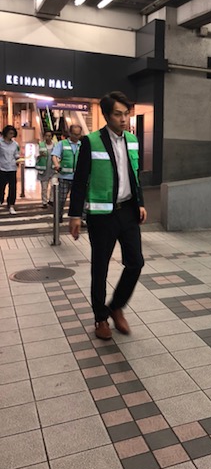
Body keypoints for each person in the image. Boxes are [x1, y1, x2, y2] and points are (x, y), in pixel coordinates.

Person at [68, 91, 146, 340]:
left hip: (128, 213)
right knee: (100, 268)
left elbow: (135, 175)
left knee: (136, 262)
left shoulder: (132, 140)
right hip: (102, 217)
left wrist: (140, 203)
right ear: (106, 115)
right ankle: (100, 317)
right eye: (118, 114)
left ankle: (116, 306)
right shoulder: (91, 141)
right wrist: (75, 215)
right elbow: (80, 181)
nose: (123, 119)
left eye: (126, 114)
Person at [52, 124, 82, 222]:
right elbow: (54, 155)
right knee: (61, 199)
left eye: (78, 134)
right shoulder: (62, 143)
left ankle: (77, 217)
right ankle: (58, 215)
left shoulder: (81, 145)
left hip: (77, 177)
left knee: (78, 199)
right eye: (74, 134)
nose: (76, 137)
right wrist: (57, 164)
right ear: (70, 133)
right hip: (64, 176)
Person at [0, 125, 21, 215]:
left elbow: (16, 154)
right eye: (10, 133)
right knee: (1, 187)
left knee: (13, 188)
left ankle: (11, 204)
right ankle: (0, 200)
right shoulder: (0, 142)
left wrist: (18, 160)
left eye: (13, 134)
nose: (11, 135)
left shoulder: (15, 144)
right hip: (1, 168)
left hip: (12, 168)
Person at [36, 130, 55, 207]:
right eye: (46, 135)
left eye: (49, 136)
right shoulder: (40, 145)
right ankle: (44, 202)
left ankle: (51, 200)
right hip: (43, 169)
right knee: (44, 187)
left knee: (54, 186)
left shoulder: (56, 145)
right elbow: (35, 155)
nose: (48, 137)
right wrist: (39, 155)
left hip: (53, 169)